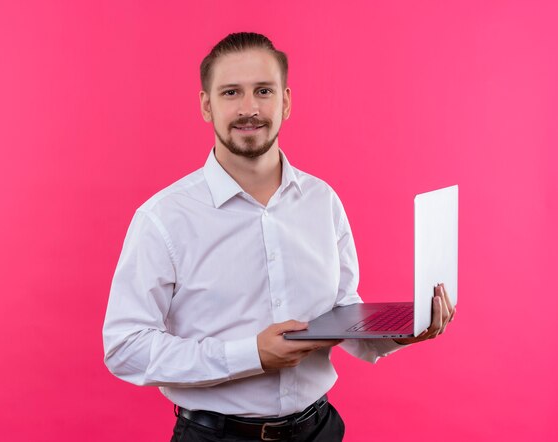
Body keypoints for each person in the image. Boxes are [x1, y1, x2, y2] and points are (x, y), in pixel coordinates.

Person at [102, 32, 455, 442]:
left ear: (285, 101)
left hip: (320, 429)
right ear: (206, 105)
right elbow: (125, 347)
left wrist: (397, 330)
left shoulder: (322, 201)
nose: (249, 109)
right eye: (231, 92)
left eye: (263, 91)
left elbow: (341, 309)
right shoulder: (163, 218)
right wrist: (250, 355)